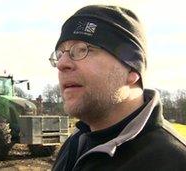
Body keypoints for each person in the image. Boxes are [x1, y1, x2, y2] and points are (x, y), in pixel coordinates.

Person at [49, 5, 186, 171]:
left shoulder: (173, 161)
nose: (62, 64)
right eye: (59, 54)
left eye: (82, 50)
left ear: (132, 69)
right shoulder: (74, 144)